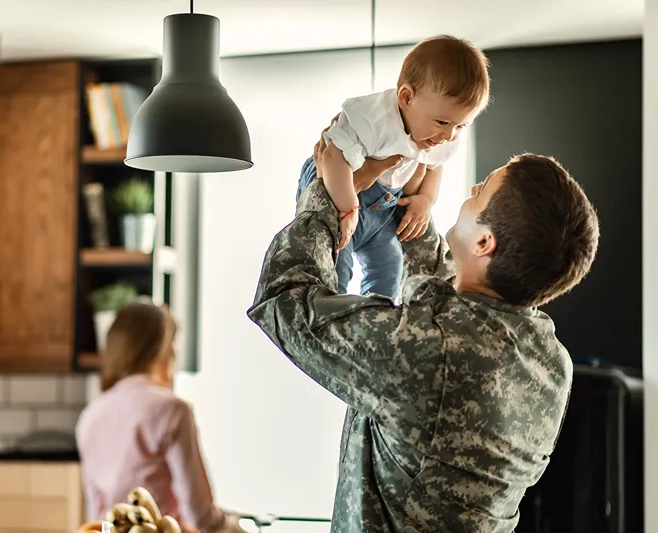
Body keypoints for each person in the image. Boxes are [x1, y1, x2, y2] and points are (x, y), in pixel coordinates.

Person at [248, 129, 600, 532]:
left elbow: (285, 299)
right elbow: (445, 289)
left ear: (485, 241)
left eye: (481, 190)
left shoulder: (431, 351)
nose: (471, 188)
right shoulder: (550, 361)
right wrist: (404, 197)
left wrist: (327, 195)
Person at [296, 34, 489, 300]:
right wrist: (348, 208)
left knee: (389, 268)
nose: (449, 136)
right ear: (407, 98)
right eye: (443, 123)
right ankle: (332, 315)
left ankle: (376, 319)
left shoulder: (441, 134)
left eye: (461, 126)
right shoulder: (372, 118)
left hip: (383, 210)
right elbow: (330, 159)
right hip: (339, 186)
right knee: (337, 263)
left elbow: (435, 166)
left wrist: (425, 199)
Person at [76, 299, 245, 533]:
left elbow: (98, 515)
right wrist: (236, 527)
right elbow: (201, 517)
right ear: (163, 351)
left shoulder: (90, 416)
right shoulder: (172, 410)